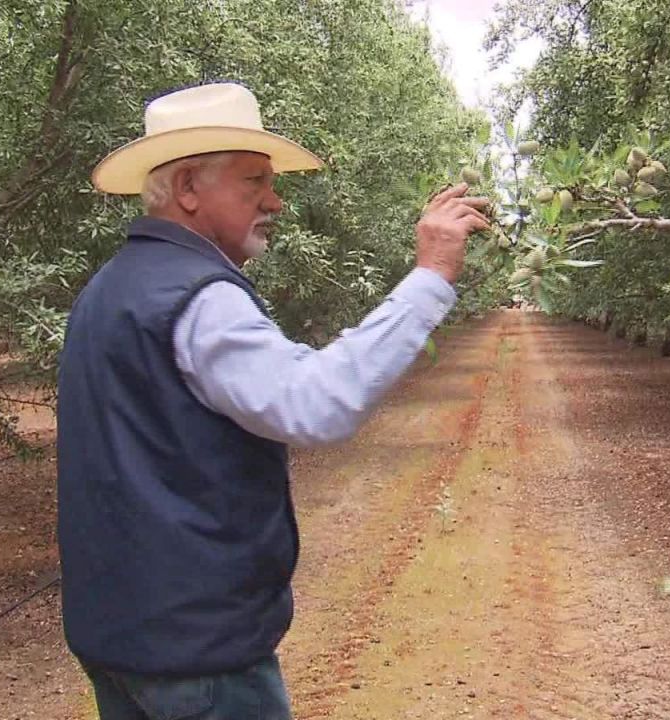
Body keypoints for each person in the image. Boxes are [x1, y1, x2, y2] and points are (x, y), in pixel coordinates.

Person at [56, 82, 489, 720]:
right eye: (253, 181)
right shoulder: (198, 297)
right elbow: (318, 404)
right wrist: (429, 278)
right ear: (188, 190)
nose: (276, 201)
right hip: (199, 660)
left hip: (122, 639)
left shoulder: (111, 288)